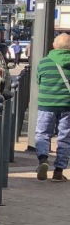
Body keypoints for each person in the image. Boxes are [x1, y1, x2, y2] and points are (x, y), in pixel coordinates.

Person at [35, 33, 70, 181]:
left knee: (42, 134)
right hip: (67, 105)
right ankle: (58, 171)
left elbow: (38, 80)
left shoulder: (44, 63)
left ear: (54, 46)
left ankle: (43, 160)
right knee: (65, 138)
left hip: (46, 104)